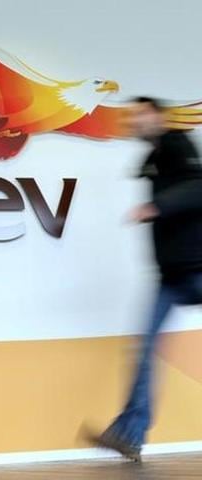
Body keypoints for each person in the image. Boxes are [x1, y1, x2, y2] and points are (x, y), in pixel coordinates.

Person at [88, 97, 202, 462]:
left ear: (158, 116)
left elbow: (199, 189)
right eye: (131, 115)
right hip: (170, 277)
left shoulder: (177, 144)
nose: (134, 120)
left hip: (198, 268)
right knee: (144, 348)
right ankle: (130, 435)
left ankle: (128, 431)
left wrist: (156, 206)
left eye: (140, 113)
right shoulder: (153, 159)